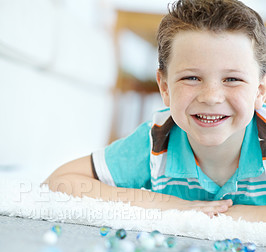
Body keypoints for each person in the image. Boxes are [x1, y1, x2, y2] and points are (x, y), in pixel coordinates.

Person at [42, 0, 266, 222]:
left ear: (260, 91)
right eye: (191, 78)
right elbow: (58, 183)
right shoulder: (156, 140)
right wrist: (175, 207)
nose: (211, 97)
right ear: (165, 87)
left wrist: (224, 215)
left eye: (233, 79)